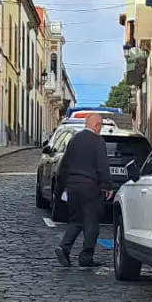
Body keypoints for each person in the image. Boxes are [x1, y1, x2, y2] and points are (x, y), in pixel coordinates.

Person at [53, 112, 113, 267]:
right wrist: (107, 185)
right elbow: (102, 165)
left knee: (76, 220)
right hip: (89, 187)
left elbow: (64, 165)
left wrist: (61, 188)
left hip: (73, 186)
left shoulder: (74, 139)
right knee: (91, 222)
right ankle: (86, 257)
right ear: (97, 125)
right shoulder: (97, 141)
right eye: (100, 126)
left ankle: (64, 247)